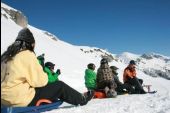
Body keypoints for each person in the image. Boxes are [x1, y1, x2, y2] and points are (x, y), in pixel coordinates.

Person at [1, 28, 94, 107]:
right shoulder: (26, 54)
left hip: (3, 100)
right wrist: (44, 74)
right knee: (59, 86)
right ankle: (82, 99)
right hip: (18, 100)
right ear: (30, 43)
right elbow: (41, 81)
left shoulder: (6, 57)